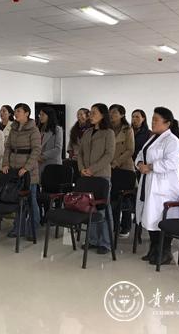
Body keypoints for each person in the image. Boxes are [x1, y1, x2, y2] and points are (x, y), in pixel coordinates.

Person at [135, 107, 179, 265]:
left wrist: (150, 167)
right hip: (148, 183)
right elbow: (141, 154)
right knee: (150, 218)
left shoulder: (172, 141)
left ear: (167, 123)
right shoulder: (153, 138)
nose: (153, 122)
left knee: (162, 219)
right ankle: (154, 249)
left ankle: (165, 252)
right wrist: (140, 164)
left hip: (164, 188)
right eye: (152, 119)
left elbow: (171, 162)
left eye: (156, 120)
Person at [78, 103, 115, 254]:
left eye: (94, 113)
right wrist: (81, 169)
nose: (90, 115)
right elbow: (80, 153)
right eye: (90, 112)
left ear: (102, 115)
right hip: (86, 175)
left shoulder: (108, 133)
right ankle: (92, 240)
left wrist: (92, 169)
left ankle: (105, 242)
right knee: (90, 208)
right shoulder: (87, 132)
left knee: (103, 209)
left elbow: (109, 155)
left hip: (101, 175)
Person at [1, 103, 42, 240]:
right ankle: (18, 227)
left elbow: (36, 150)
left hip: (28, 171)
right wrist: (5, 163)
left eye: (19, 111)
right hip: (14, 170)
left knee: (31, 201)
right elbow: (7, 147)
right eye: (15, 111)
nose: (16, 113)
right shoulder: (13, 128)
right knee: (17, 200)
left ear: (27, 113)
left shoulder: (33, 129)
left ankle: (33, 228)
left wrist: (26, 167)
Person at [109, 104, 135, 238]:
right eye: (110, 112)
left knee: (125, 197)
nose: (111, 115)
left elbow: (130, 150)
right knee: (112, 196)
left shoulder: (127, 129)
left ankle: (126, 226)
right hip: (109, 167)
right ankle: (113, 225)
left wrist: (116, 162)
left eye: (115, 112)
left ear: (122, 115)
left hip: (124, 168)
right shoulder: (107, 128)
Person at [38, 106, 63, 175]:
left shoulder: (57, 129)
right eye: (40, 115)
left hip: (52, 162)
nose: (40, 117)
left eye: (43, 115)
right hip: (39, 163)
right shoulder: (39, 129)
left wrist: (42, 156)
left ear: (49, 116)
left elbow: (58, 149)